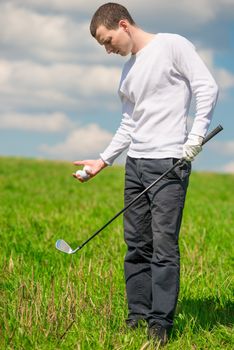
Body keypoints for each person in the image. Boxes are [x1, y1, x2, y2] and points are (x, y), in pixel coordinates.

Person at [73, 2, 218, 346]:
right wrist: (103, 160)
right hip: (135, 164)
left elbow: (206, 87)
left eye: (108, 41)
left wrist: (196, 137)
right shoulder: (128, 72)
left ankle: (160, 325)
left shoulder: (172, 45)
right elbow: (129, 123)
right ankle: (137, 318)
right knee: (136, 244)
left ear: (123, 25)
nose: (108, 50)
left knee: (163, 246)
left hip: (170, 161)